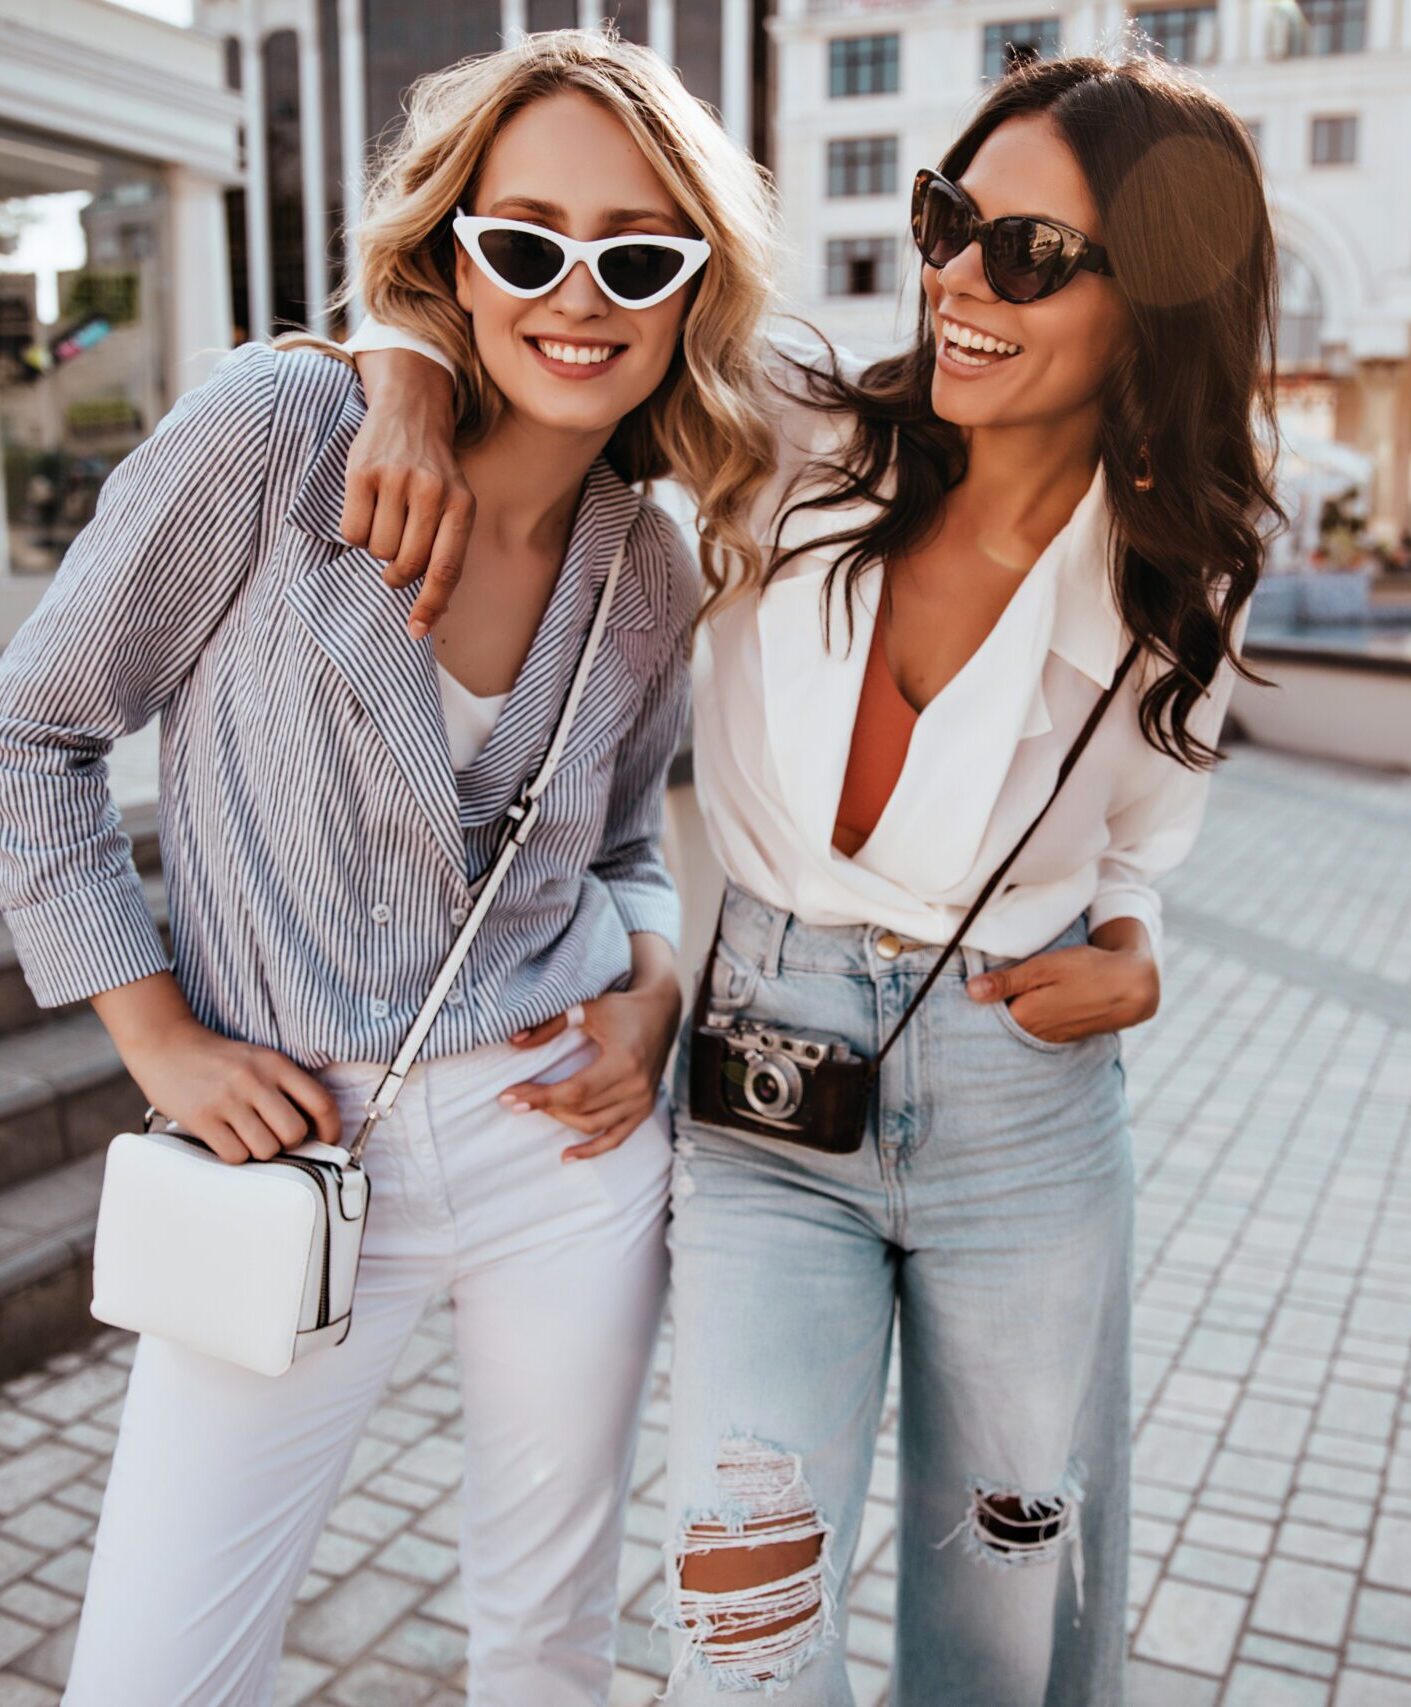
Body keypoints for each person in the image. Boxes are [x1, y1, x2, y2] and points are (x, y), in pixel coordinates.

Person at [343, 49, 1278, 1707]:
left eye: (1031, 255)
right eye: (951, 220)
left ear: (1158, 304)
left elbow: (1139, 844)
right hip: (769, 1103)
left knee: (1001, 1607)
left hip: (1025, 1118)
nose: (961, 280)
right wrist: (403, 380)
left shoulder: (1179, 572)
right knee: (741, 1620)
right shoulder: (794, 427)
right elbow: (551, 306)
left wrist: (1139, 949)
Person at [0, 31, 778, 1706]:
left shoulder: (644, 570)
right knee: (154, 1669)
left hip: (561, 1150)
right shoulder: (284, 440)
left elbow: (632, 844)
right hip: (284, 1149)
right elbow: (30, 731)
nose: (581, 293)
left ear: (691, 290)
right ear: (453, 257)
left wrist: (649, 994)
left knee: (549, 1642)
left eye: (638, 253)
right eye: (527, 241)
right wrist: (152, 1037)